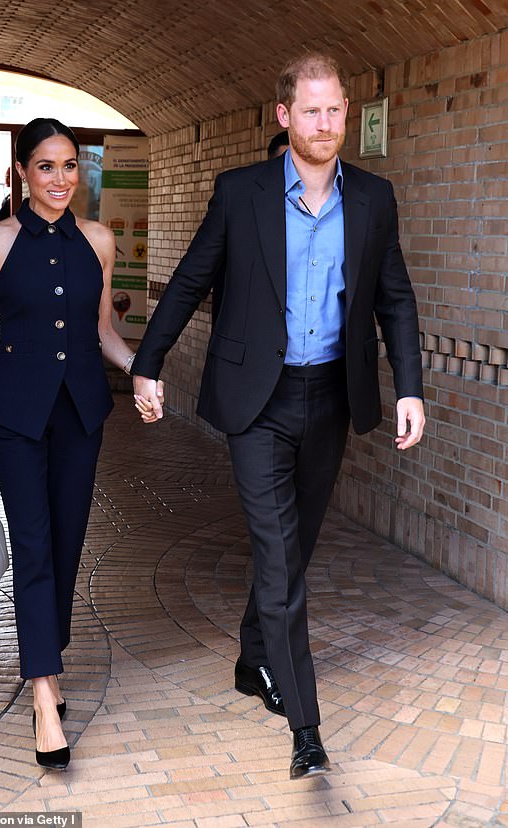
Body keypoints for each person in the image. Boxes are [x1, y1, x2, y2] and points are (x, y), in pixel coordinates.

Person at [132, 53, 425, 780]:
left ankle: (251, 657)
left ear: (346, 114)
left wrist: (410, 387)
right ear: (284, 116)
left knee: (293, 552)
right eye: (312, 111)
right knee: (278, 558)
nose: (325, 124)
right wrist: (148, 361)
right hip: (256, 401)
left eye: (336, 111)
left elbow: (396, 298)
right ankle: (306, 729)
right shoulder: (242, 194)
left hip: (331, 397)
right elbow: (194, 278)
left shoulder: (375, 199)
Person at [0, 117, 161, 771]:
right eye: (46, 165)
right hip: (15, 417)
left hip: (79, 415)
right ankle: (45, 694)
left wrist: (140, 372)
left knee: (67, 546)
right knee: (36, 547)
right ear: (21, 171)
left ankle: (47, 656)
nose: (60, 178)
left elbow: (103, 331)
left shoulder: (99, 241)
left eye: (70, 165)